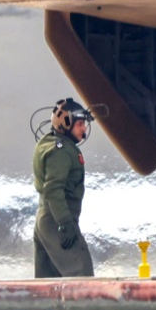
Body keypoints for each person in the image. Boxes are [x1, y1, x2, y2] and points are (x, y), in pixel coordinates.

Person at [32, 98, 95, 278]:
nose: (84, 129)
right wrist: (65, 223)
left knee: (48, 285)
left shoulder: (48, 143)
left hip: (46, 219)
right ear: (66, 123)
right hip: (56, 221)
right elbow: (53, 189)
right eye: (80, 124)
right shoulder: (61, 151)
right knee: (82, 274)